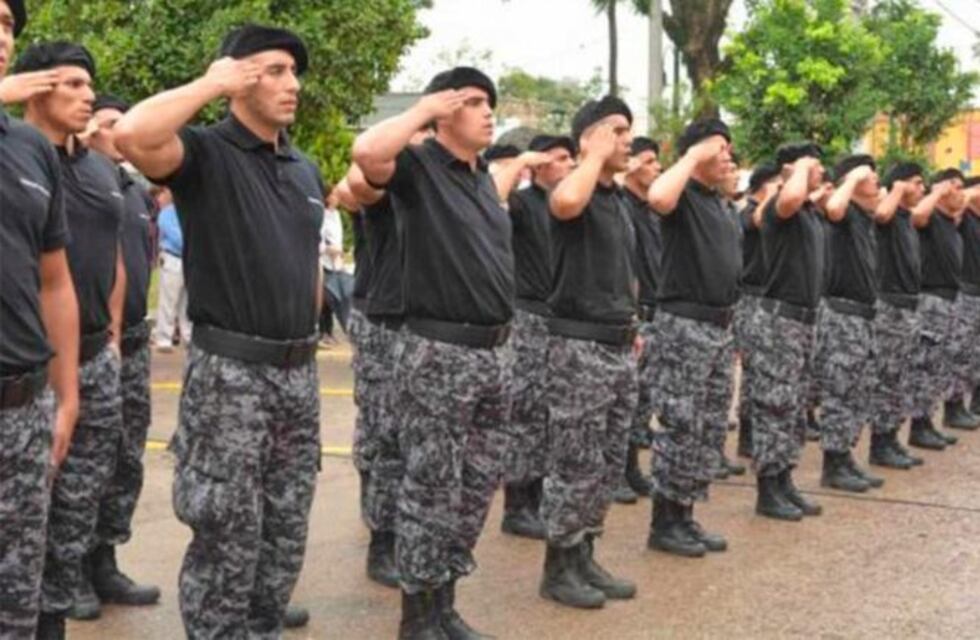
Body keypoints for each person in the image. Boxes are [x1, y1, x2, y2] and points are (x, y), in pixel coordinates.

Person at [115, 24, 323, 636]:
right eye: (274, 70)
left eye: (293, 72)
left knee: (285, 528)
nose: (292, 84)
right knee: (226, 531)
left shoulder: (303, 169)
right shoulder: (205, 152)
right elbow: (131, 134)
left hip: (298, 373)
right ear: (237, 79)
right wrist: (210, 82)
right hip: (232, 374)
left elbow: (305, 262)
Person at [352, 66, 513, 640]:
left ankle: (444, 602)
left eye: (489, 102)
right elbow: (368, 152)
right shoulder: (421, 169)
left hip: (491, 353)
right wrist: (423, 110)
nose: (488, 111)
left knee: (473, 487)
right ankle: (417, 615)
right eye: (472, 102)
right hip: (438, 350)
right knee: (430, 485)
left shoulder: (479, 178)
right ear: (445, 112)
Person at [16, 41, 127, 638]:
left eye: (92, 87)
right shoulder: (17, 159)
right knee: (25, 519)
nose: (89, 97)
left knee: (79, 503)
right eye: (74, 85)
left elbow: (112, 257)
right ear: (37, 87)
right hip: (32, 371)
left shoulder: (99, 168)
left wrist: (109, 334)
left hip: (92, 359)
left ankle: (55, 613)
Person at [536, 96, 639, 609]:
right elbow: (565, 204)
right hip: (578, 347)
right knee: (574, 460)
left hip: (616, 344)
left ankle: (585, 553)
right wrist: (591, 157)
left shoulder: (618, 200)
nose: (627, 141)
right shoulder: (573, 187)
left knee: (605, 460)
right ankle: (559, 566)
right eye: (617, 131)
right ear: (591, 137)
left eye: (627, 132)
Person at [0, 4, 81, 637]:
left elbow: (55, 281)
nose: (1, 37)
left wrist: (67, 394)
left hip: (21, 409)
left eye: (5, 24)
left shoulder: (29, 149)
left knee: (16, 600)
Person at [79, 92, 161, 612]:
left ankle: (104, 561)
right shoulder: (74, 178)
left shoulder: (133, 188)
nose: (117, 133)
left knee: (124, 459)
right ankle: (71, 572)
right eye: (108, 123)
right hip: (87, 345)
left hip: (131, 342)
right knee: (84, 465)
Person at [645, 119, 740, 558]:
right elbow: (657, 197)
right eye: (719, 149)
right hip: (684, 325)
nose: (727, 157)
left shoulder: (719, 203)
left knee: (708, 427)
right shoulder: (680, 194)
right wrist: (691, 155)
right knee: (681, 425)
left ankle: (686, 512)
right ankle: (665, 521)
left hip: (719, 326)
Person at [497, 134, 575, 538]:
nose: (570, 165)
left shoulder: (569, 206)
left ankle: (541, 493)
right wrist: (520, 162)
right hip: (527, 316)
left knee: (551, 413)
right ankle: (518, 503)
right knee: (525, 411)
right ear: (541, 165)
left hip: (560, 317)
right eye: (561, 159)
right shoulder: (524, 204)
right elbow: (492, 196)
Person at [750, 142, 825, 520]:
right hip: (780, 320)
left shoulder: (808, 211)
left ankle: (785, 480)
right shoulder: (782, 207)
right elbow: (790, 196)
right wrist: (797, 170)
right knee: (775, 406)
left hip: (804, 321)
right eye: (815, 165)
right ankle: (768, 489)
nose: (822, 172)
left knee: (794, 409)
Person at [815, 154, 884, 493]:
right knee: (839, 392)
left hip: (862, 315)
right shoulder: (841, 212)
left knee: (857, 391)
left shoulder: (865, 217)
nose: (877, 184)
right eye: (872, 177)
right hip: (842, 315)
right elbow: (834, 208)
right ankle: (833, 462)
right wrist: (854, 178)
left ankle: (845, 456)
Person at [866, 162, 930, 468]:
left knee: (900, 379)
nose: (922, 189)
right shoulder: (888, 214)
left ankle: (891, 437)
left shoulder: (906, 219)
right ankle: (880, 444)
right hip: (889, 307)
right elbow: (880, 215)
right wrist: (897, 189)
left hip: (907, 306)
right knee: (886, 379)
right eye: (917, 183)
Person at [615, 136, 663, 503]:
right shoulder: (621, 204)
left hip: (652, 310)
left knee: (641, 400)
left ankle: (631, 468)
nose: (656, 168)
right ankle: (617, 471)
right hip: (630, 314)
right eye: (648, 161)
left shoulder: (650, 209)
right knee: (624, 402)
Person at [907, 169, 968, 451]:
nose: (961, 193)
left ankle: (928, 421)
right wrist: (937, 191)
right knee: (925, 365)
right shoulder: (929, 217)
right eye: (956, 188)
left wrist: (953, 195)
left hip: (949, 299)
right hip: (930, 299)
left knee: (940, 366)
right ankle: (918, 426)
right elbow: (916, 215)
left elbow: (964, 204)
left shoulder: (950, 221)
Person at [734, 163, 782, 462]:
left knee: (765, 369)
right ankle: (747, 434)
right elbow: (758, 221)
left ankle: (758, 432)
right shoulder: (750, 210)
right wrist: (771, 196)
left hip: (768, 297)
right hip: (750, 299)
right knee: (753, 371)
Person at [153, 187, 190, 351]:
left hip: (188, 260)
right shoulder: (167, 213)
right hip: (173, 258)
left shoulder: (188, 210)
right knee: (169, 300)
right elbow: (176, 238)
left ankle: (188, 336)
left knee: (187, 302)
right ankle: (164, 339)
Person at [956, 178, 980, 420]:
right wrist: (968, 196)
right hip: (967, 293)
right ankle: (955, 408)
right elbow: (955, 210)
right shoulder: (962, 218)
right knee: (963, 353)